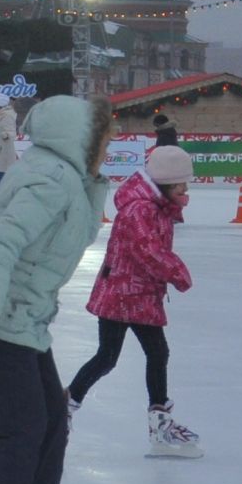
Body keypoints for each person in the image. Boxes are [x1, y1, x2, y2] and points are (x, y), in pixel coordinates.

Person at [0, 95, 111, 484]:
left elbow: (78, 232)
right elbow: (2, 242)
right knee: (22, 431)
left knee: (52, 424)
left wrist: (94, 184)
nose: (109, 149)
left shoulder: (66, 177)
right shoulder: (51, 179)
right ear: (81, 139)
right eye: (104, 140)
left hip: (24, 320)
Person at [67, 144, 201, 458]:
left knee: (152, 353)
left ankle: (159, 424)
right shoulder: (139, 209)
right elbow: (147, 250)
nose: (185, 190)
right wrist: (177, 271)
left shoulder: (154, 205)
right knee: (109, 357)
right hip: (123, 293)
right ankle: (64, 409)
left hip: (137, 294)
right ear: (166, 182)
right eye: (181, 184)